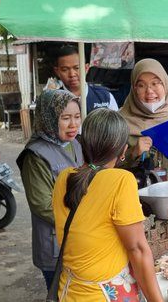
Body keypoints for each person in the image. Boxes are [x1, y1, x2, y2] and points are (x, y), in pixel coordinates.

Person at [52, 108, 161, 301]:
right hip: (103, 295)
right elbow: (137, 249)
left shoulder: (64, 177)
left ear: (82, 144)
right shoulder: (121, 180)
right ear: (123, 151)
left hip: (68, 291)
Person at [17, 89, 84, 290]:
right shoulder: (36, 155)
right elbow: (42, 205)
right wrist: (84, 218)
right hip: (54, 244)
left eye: (77, 117)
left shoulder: (74, 144)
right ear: (48, 118)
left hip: (78, 239)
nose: (73, 125)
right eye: (65, 118)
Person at [52, 45, 118, 112]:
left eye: (77, 68)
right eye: (65, 69)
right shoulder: (53, 101)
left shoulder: (105, 97)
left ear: (86, 68)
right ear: (57, 72)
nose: (72, 74)